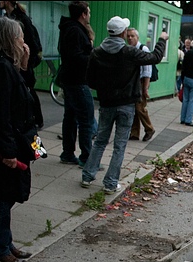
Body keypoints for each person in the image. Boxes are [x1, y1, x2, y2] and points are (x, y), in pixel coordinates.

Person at [81, 17, 168, 194]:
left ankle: (87, 176)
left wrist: (105, 88)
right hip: (127, 104)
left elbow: (89, 80)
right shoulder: (129, 52)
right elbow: (155, 57)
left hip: (106, 103)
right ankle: (111, 183)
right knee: (119, 145)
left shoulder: (97, 52)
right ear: (122, 33)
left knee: (100, 141)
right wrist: (162, 39)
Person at [0, 16, 36, 262]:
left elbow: (26, 94)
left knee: (12, 193)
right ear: (9, 39)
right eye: (19, 36)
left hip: (23, 138)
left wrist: (24, 64)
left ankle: (5, 241)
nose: (23, 41)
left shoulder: (6, 66)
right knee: (3, 195)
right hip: (10, 142)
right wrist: (8, 150)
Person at [58, 0, 94, 166]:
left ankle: (68, 153)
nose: (90, 15)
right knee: (86, 119)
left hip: (69, 79)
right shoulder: (75, 32)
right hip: (77, 80)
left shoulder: (69, 28)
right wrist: (93, 56)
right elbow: (76, 57)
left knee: (70, 117)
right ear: (83, 14)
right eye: (88, 12)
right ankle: (86, 157)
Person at [1, 0, 43, 130]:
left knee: (27, 89)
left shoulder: (21, 19)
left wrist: (26, 59)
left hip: (23, 60)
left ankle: (35, 118)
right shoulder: (9, 17)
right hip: (18, 60)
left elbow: (32, 42)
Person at [127, 27, 155, 142]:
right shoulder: (128, 49)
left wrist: (145, 88)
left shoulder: (143, 49)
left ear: (137, 37)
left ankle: (149, 129)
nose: (129, 38)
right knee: (133, 108)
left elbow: (147, 70)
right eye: (128, 36)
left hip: (141, 82)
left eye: (132, 36)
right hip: (132, 82)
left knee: (140, 107)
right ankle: (134, 132)